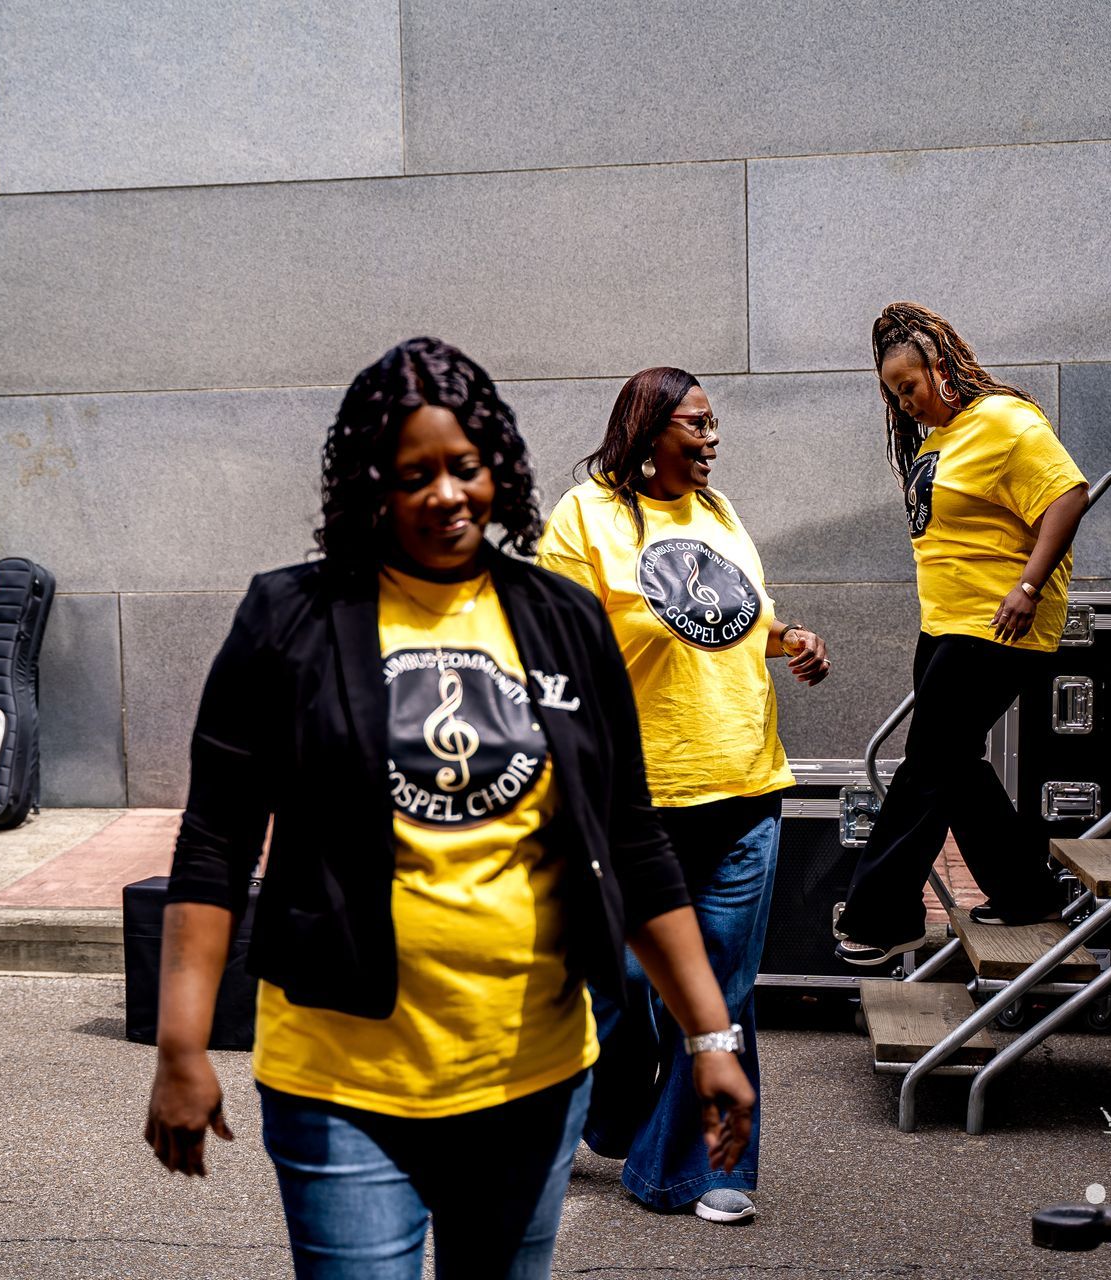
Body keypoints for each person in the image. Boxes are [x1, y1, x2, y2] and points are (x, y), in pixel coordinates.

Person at [142, 337, 755, 1280]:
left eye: (463, 468)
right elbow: (216, 844)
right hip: (339, 1079)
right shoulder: (290, 619)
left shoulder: (560, 617)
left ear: (496, 470)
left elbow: (631, 843)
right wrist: (182, 1046)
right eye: (412, 473)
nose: (444, 494)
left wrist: (711, 1036)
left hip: (532, 1073)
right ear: (369, 485)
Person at [535, 367, 827, 1222]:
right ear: (649, 428)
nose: (712, 438)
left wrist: (791, 639)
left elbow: (740, 617)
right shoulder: (583, 517)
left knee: (722, 993)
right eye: (696, 424)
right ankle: (594, 1117)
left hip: (744, 779)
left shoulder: (720, 513)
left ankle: (698, 1171)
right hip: (637, 798)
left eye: (713, 423)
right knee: (623, 988)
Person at [833, 303, 1090, 967]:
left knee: (926, 764)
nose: (905, 401)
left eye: (909, 385)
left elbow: (1066, 495)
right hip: (946, 624)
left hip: (995, 624)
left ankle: (882, 916)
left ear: (940, 368)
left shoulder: (1004, 420)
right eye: (893, 393)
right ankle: (1026, 893)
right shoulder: (937, 439)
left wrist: (1027, 588)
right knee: (957, 766)